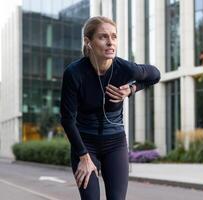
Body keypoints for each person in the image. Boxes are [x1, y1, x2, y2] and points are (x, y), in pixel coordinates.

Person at [59, 16, 160, 200]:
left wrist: (131, 89)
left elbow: (155, 75)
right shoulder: (74, 73)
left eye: (113, 36)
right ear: (88, 42)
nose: (110, 42)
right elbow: (67, 119)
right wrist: (83, 156)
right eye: (103, 37)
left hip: (115, 143)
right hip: (85, 144)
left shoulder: (124, 68)